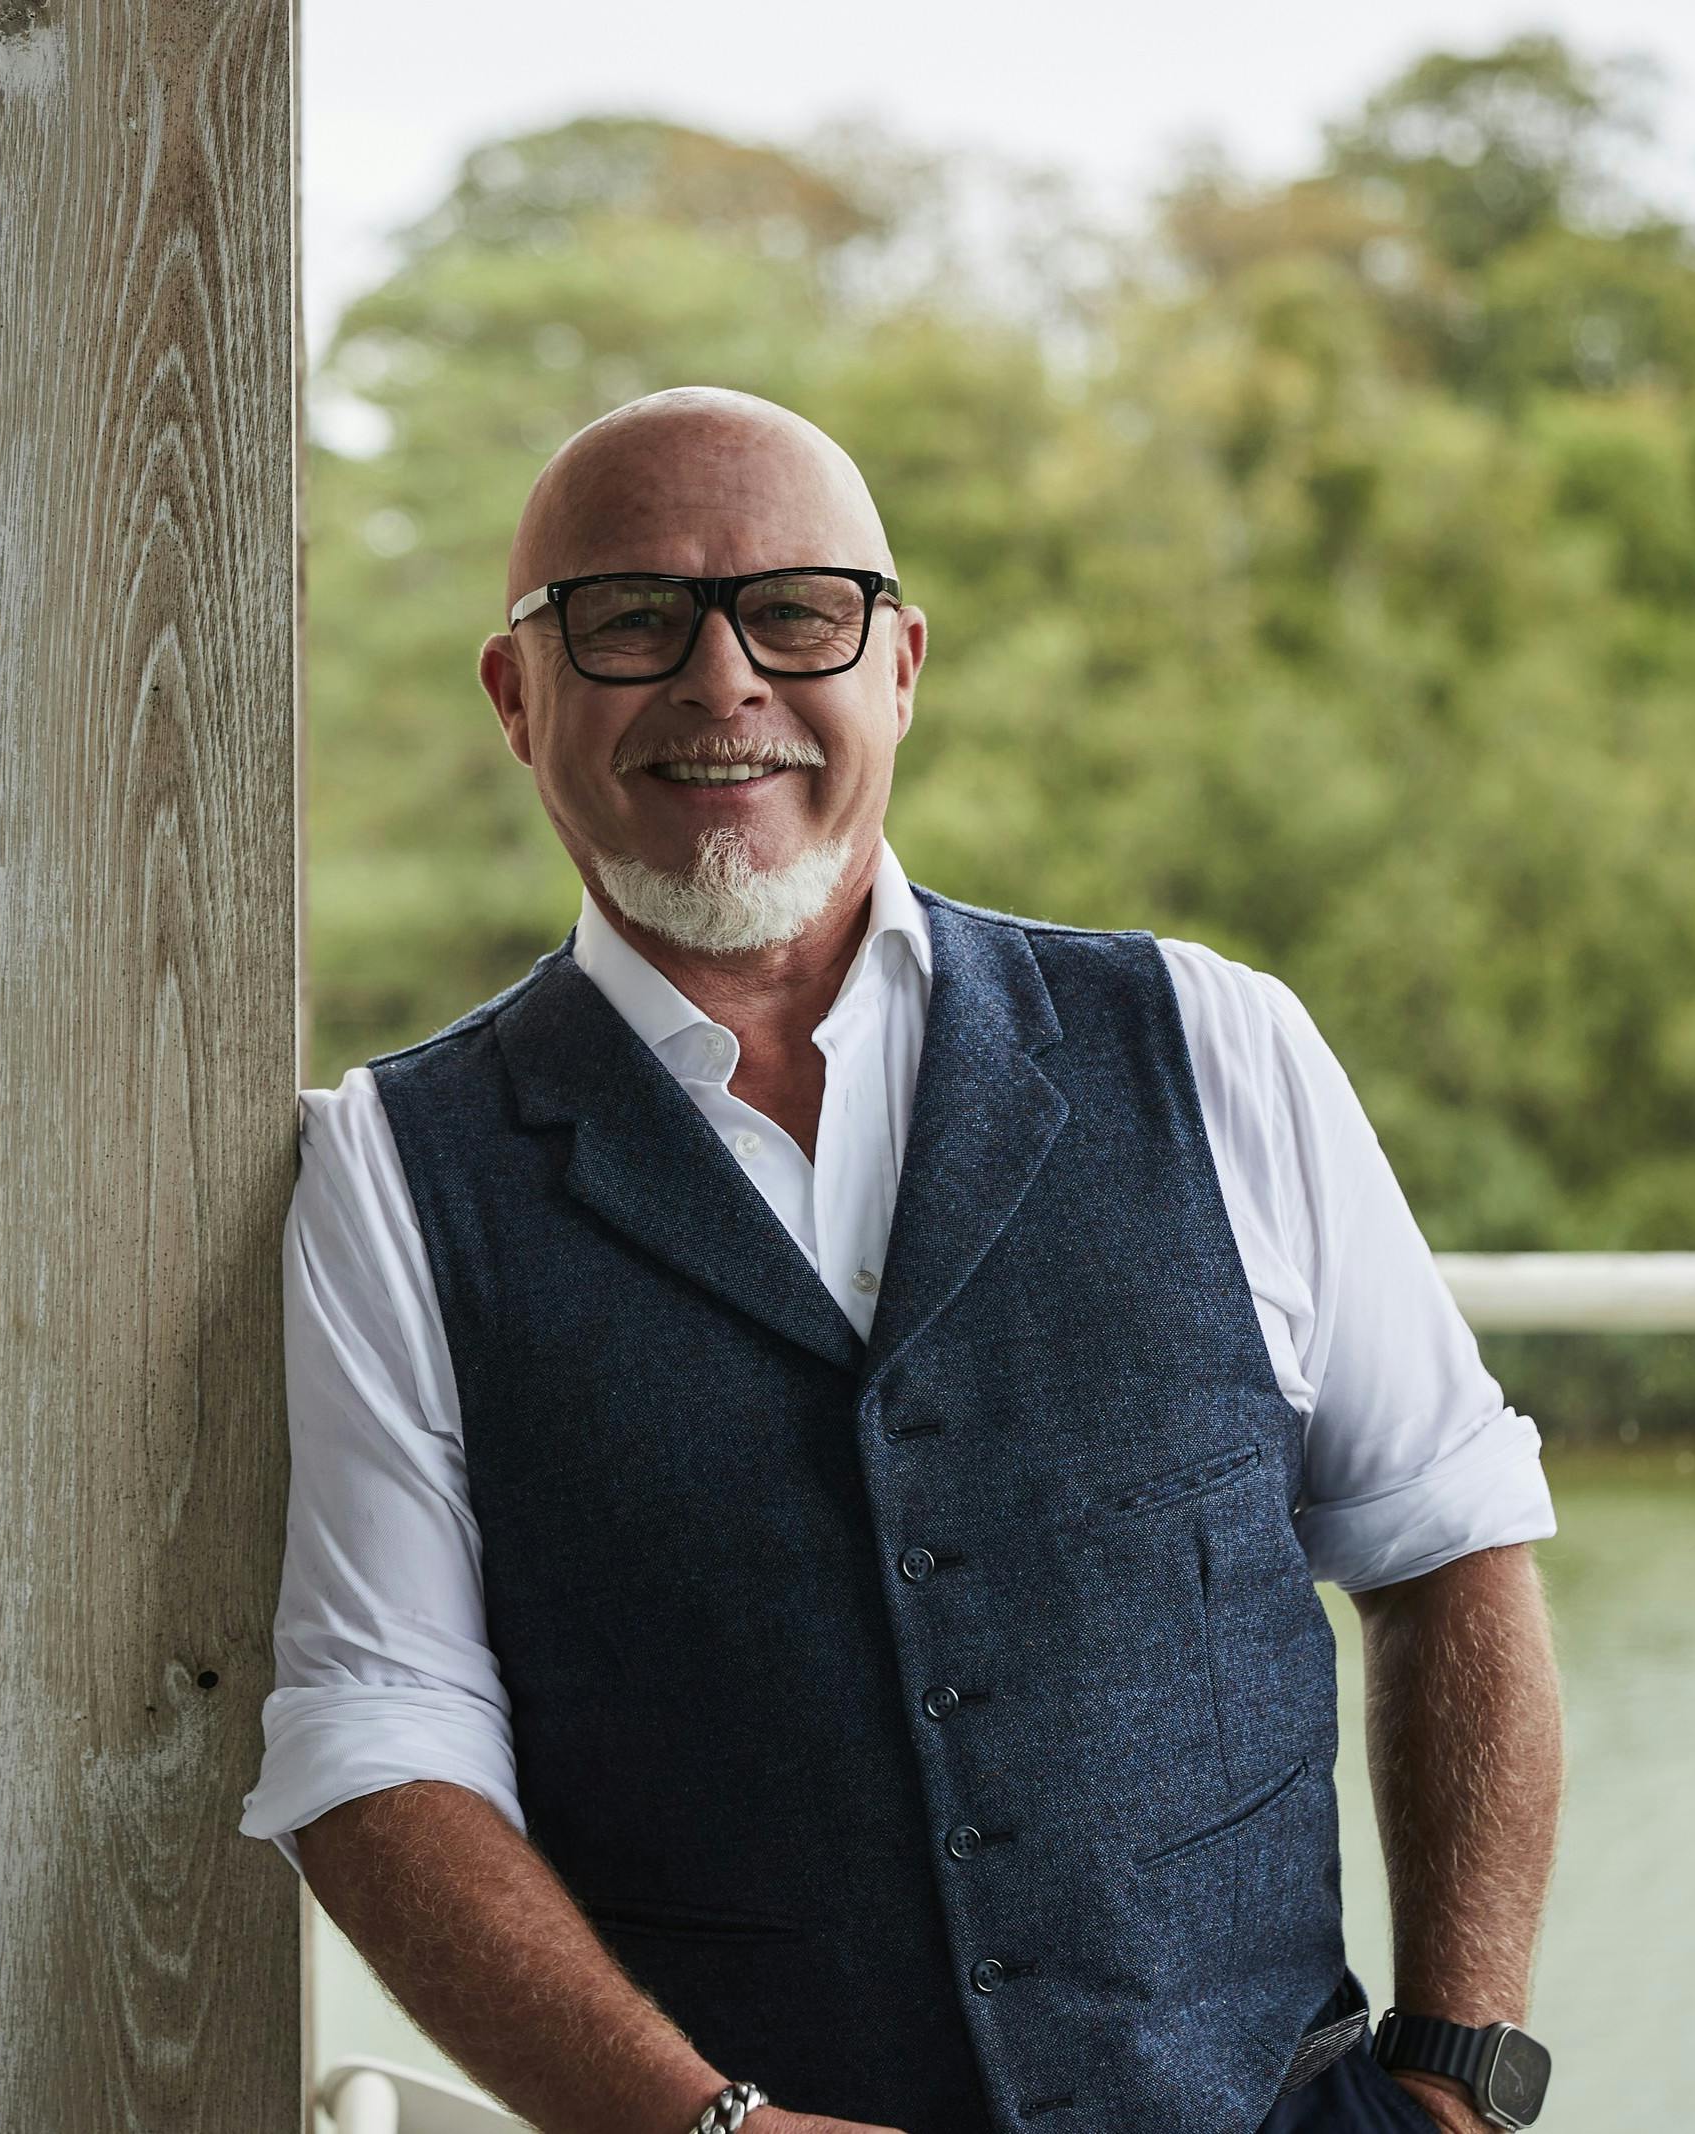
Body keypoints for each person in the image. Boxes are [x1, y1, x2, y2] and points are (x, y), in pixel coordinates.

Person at [240, 387, 1565, 2134]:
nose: (723, 682)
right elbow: (379, 1741)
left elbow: (1450, 1546)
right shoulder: (393, 1174)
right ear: (515, 695)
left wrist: (1460, 2080)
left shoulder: (1214, 1043)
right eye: (630, 619)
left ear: (902, 667)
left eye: (799, 612)